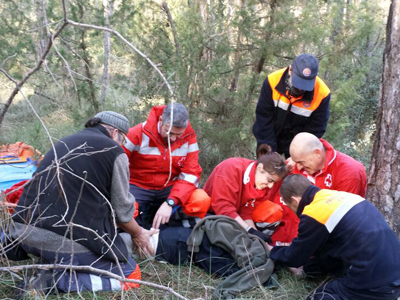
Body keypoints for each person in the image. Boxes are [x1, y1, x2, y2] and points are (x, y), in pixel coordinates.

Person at [10, 111, 156, 294]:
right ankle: (53, 282)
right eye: (123, 140)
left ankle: (52, 264)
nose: (122, 144)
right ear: (115, 133)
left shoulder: (64, 142)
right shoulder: (114, 151)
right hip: (59, 239)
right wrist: (139, 233)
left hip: (21, 232)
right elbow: (122, 214)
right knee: (130, 276)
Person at [269, 174, 400, 300]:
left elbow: (295, 257)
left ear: (295, 201)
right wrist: (308, 270)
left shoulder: (315, 213)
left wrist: (272, 251)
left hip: (376, 284)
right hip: (395, 271)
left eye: (290, 207)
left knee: (317, 297)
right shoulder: (344, 196)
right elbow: (327, 250)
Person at [123, 103, 202, 229]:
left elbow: (191, 174)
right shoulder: (136, 133)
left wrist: (171, 202)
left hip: (169, 187)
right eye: (169, 132)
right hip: (137, 186)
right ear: (160, 121)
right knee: (124, 207)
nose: (174, 138)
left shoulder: (189, 137)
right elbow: (115, 163)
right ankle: (134, 233)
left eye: (178, 134)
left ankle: (172, 230)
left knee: (200, 200)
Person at [203, 144, 287, 241]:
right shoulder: (231, 168)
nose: (270, 186)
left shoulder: (260, 181)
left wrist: (256, 236)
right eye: (269, 180)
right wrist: (249, 230)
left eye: (274, 182)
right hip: (213, 213)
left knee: (273, 211)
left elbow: (246, 212)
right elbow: (223, 208)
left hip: (235, 215)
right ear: (260, 168)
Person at [252, 54, 331, 157]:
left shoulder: (322, 94)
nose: (300, 89)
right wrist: (269, 154)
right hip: (271, 135)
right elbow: (264, 119)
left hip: (300, 143)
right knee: (267, 166)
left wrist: (298, 157)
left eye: (305, 86)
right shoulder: (272, 81)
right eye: (297, 83)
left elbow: (315, 129)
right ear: (290, 70)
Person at [290, 132, 367, 197]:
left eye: (301, 162)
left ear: (317, 153)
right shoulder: (305, 160)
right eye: (296, 162)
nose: (298, 167)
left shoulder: (348, 172)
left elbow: (343, 212)